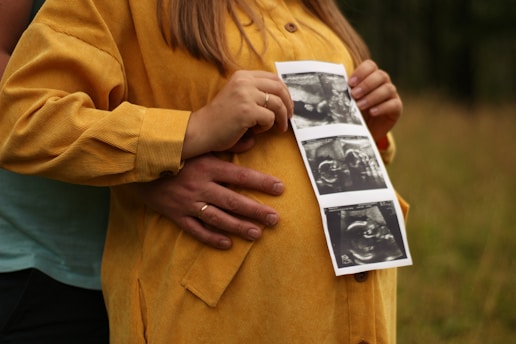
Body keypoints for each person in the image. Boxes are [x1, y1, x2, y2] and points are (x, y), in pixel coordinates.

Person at [0, 1, 409, 343]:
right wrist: (189, 131)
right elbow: (24, 118)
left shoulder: (314, 9)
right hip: (217, 316)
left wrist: (368, 129)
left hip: (357, 314)